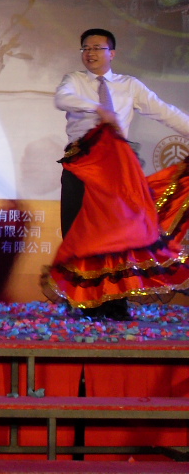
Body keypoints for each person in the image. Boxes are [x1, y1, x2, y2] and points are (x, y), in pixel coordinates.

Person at [50, 28, 189, 320]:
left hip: (116, 169)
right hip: (82, 164)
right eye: (86, 48)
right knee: (77, 231)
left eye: (97, 48)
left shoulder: (129, 85)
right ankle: (83, 301)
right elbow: (62, 99)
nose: (90, 53)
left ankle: (115, 302)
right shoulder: (74, 80)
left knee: (117, 234)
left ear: (112, 53)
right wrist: (97, 108)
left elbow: (165, 112)